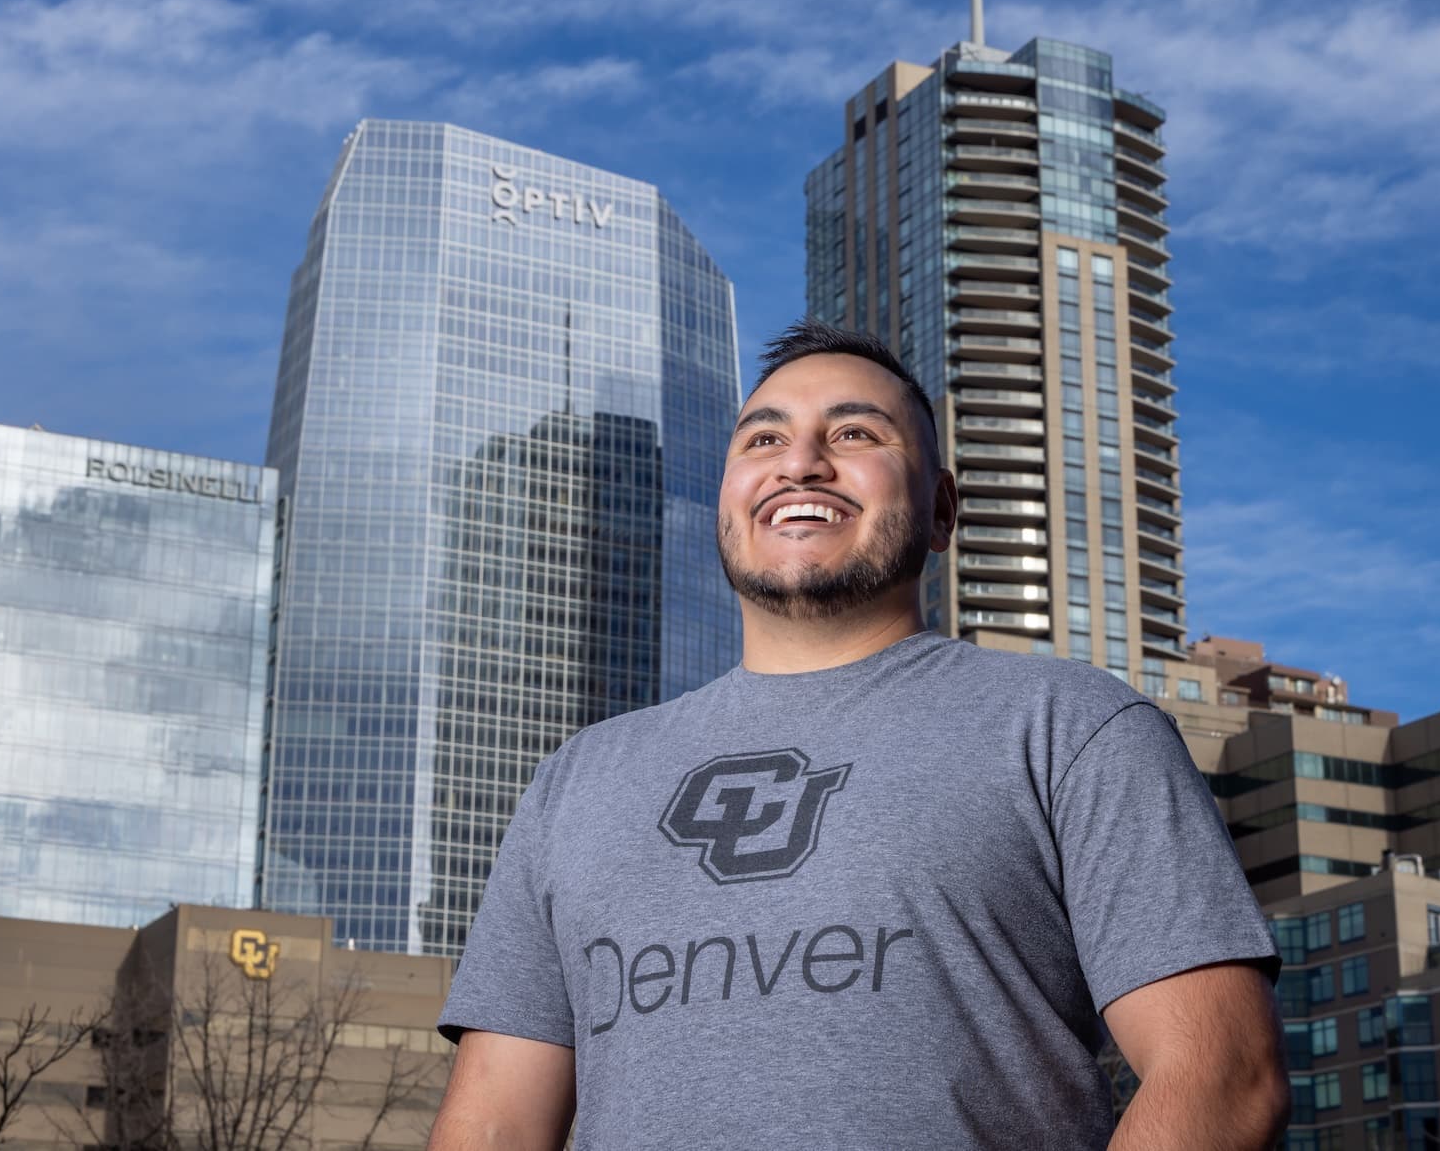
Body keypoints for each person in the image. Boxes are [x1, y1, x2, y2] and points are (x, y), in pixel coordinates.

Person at [428, 319, 1289, 1150]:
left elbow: (1221, 1074)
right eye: (762, 441)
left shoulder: (1072, 727)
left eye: (854, 433)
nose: (800, 463)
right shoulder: (580, 779)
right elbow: (493, 1124)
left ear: (943, 510)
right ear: (724, 498)